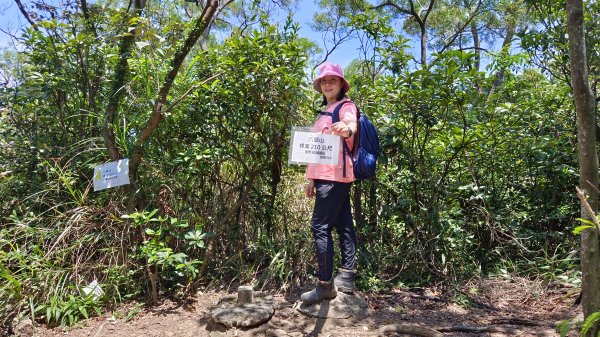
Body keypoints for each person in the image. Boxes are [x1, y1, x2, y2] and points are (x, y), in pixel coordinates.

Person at [301, 62, 359, 305]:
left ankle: (325, 285)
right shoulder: (327, 110)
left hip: (334, 177)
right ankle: (347, 275)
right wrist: (310, 177)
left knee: (320, 226)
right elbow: (316, 149)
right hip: (326, 176)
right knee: (344, 223)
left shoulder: (345, 107)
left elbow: (351, 125)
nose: (327, 84)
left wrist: (346, 129)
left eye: (332, 80)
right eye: (324, 81)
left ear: (341, 84)